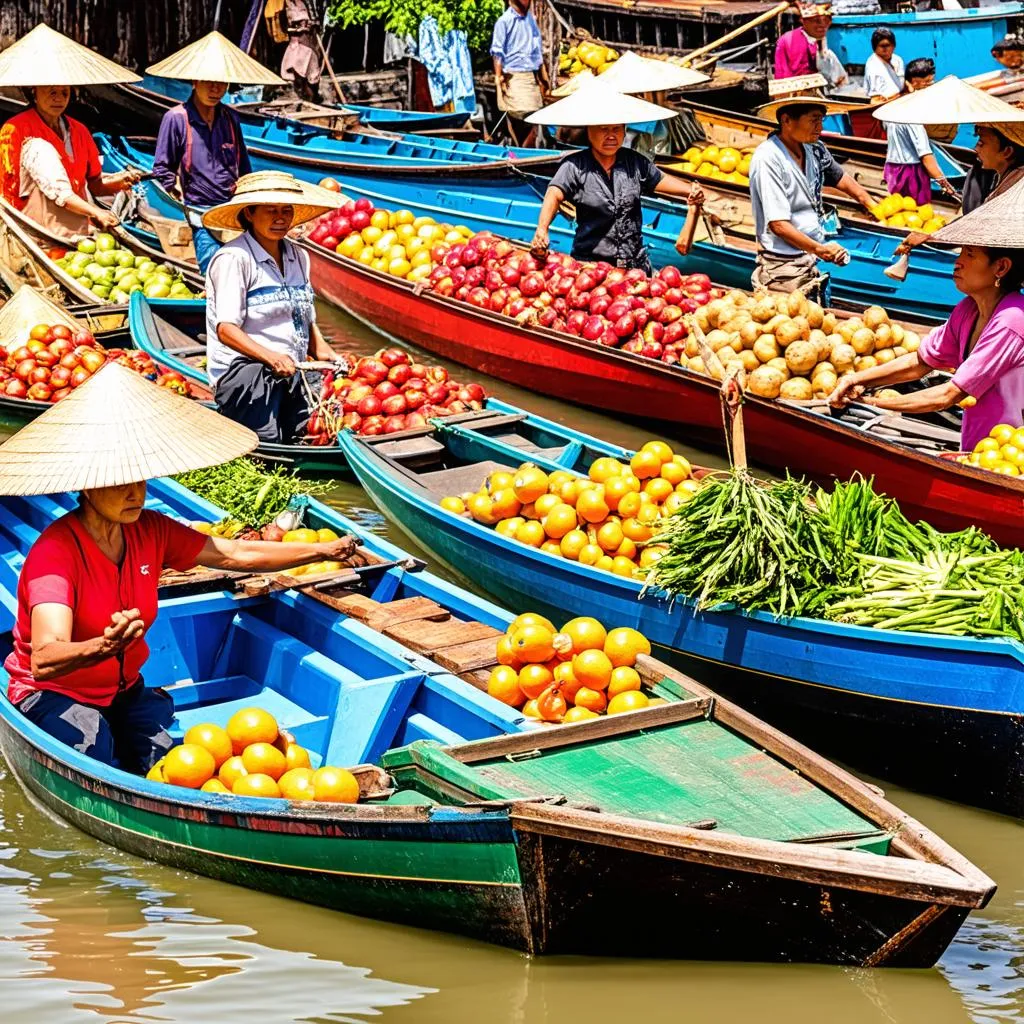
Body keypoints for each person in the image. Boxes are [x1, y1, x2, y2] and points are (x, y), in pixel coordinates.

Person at [0, 361, 360, 773]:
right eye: (120, 483)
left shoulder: (149, 530)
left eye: (140, 480)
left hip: (122, 690)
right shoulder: (56, 554)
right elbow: (45, 658)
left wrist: (322, 552)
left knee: (169, 764)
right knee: (90, 751)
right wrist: (103, 646)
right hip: (55, 693)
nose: (136, 493)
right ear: (86, 484)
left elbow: (235, 555)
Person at [829, 181, 1024, 450]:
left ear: (1000, 267)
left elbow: (948, 394)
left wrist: (870, 404)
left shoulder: (1013, 320)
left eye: (970, 254)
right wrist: (856, 379)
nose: (958, 262)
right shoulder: (968, 309)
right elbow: (922, 361)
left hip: (1010, 454)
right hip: (979, 447)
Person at [203, 171, 345, 442]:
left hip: (293, 371)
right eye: (270, 210)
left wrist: (330, 356)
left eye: (286, 210)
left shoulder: (299, 256)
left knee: (323, 428)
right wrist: (271, 357)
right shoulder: (234, 258)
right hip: (245, 375)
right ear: (249, 214)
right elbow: (226, 330)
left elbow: (305, 322)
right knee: (267, 445)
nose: (280, 218)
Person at [528, 87, 707, 272]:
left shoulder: (636, 163)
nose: (611, 135)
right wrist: (542, 229)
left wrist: (692, 192)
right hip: (590, 268)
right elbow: (554, 193)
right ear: (589, 131)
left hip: (634, 268)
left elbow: (660, 180)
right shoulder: (575, 165)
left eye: (616, 129)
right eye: (603, 129)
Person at [148, 32, 284, 272]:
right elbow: (162, 169)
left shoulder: (230, 117)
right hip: (201, 213)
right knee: (213, 271)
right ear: (194, 81)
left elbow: (243, 167)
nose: (215, 88)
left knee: (250, 270)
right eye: (209, 81)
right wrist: (175, 192)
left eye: (221, 82)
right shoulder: (177, 118)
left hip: (234, 211)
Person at [747, 95, 876, 299]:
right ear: (787, 121)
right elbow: (778, 224)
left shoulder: (814, 148)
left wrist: (872, 205)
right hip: (782, 267)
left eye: (821, 120)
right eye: (813, 119)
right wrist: (821, 250)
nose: (819, 127)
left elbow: (839, 177)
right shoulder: (768, 158)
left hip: (810, 258)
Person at [0, 84, 141, 238]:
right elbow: (8, 190)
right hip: (34, 230)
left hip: (76, 227)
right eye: (52, 92)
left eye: (64, 93)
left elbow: (95, 185)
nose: (59, 99)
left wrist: (117, 183)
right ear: (34, 93)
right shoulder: (15, 129)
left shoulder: (80, 131)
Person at [882, 59, 959, 206]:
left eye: (931, 81)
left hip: (892, 167)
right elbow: (925, 155)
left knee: (900, 207)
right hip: (910, 170)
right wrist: (944, 183)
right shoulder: (913, 112)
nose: (931, 86)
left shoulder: (896, 106)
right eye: (927, 83)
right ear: (913, 83)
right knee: (918, 210)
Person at [490, 0, 549, 145]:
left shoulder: (530, 19)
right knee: (520, 116)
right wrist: (499, 79)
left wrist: (543, 77)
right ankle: (520, 153)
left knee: (534, 120)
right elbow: (497, 52)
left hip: (530, 77)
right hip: (514, 77)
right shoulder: (504, 21)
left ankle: (524, 153)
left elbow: (537, 50)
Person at [774, 3, 848, 88]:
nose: (822, 25)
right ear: (803, 20)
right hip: (794, 91)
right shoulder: (788, 40)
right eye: (816, 20)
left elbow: (840, 81)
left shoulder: (825, 47)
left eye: (827, 20)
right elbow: (780, 75)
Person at [281, 0, 322, 102]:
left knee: (311, 73)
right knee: (300, 73)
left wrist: (312, 24)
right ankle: (303, 97)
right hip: (298, 40)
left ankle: (311, 98)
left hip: (306, 39)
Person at [863, 28, 904, 100]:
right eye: (882, 46)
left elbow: (902, 80)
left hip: (900, 98)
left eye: (887, 45)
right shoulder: (873, 66)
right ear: (874, 48)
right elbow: (875, 99)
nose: (885, 50)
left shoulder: (898, 60)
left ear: (894, 46)